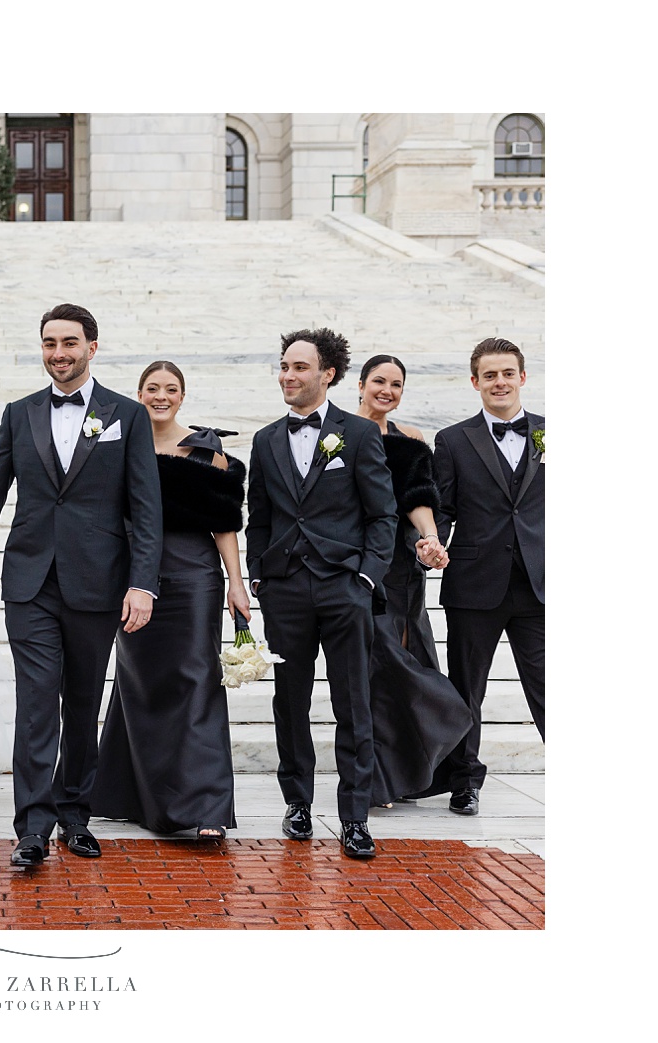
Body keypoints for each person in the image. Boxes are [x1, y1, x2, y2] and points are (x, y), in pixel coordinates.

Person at [0, 304, 162, 869]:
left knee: (83, 700)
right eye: (49, 343)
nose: (59, 353)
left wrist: (143, 583)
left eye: (70, 343)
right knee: (37, 702)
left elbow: (146, 509)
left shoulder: (127, 415)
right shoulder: (19, 413)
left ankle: (75, 812)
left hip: (99, 583)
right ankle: (33, 827)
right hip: (31, 583)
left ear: (92, 346)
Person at [246, 328, 396, 859]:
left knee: (353, 700)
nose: (288, 375)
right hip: (284, 587)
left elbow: (383, 515)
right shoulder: (265, 440)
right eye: (283, 366)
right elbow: (258, 517)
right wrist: (259, 575)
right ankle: (298, 804)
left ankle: (355, 816)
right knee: (289, 702)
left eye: (299, 367)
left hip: (343, 587)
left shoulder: (357, 435)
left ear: (327, 373)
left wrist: (365, 578)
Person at [90, 361, 246, 839]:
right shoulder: (116, 447)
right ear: (139, 394)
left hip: (195, 577)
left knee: (198, 681)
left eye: (170, 389)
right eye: (152, 388)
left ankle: (204, 810)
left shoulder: (206, 450)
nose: (161, 396)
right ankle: (133, 795)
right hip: (135, 578)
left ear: (183, 396)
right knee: (139, 684)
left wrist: (236, 583)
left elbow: (223, 522)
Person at [430, 338, 545, 817]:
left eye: (508, 373)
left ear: (523, 377)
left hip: (541, 583)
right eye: (490, 375)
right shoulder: (453, 440)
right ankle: (465, 782)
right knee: (466, 689)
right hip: (475, 581)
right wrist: (429, 544)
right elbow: (444, 508)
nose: (500, 382)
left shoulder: (553, 433)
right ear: (475, 382)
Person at [354, 355, 475, 807]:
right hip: (353, 566)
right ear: (360, 384)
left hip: (401, 570)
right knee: (374, 670)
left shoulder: (410, 439)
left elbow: (418, 499)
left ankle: (407, 771)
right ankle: (381, 776)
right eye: (379, 381)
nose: (387, 390)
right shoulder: (339, 433)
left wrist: (429, 539)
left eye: (396, 384)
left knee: (404, 661)